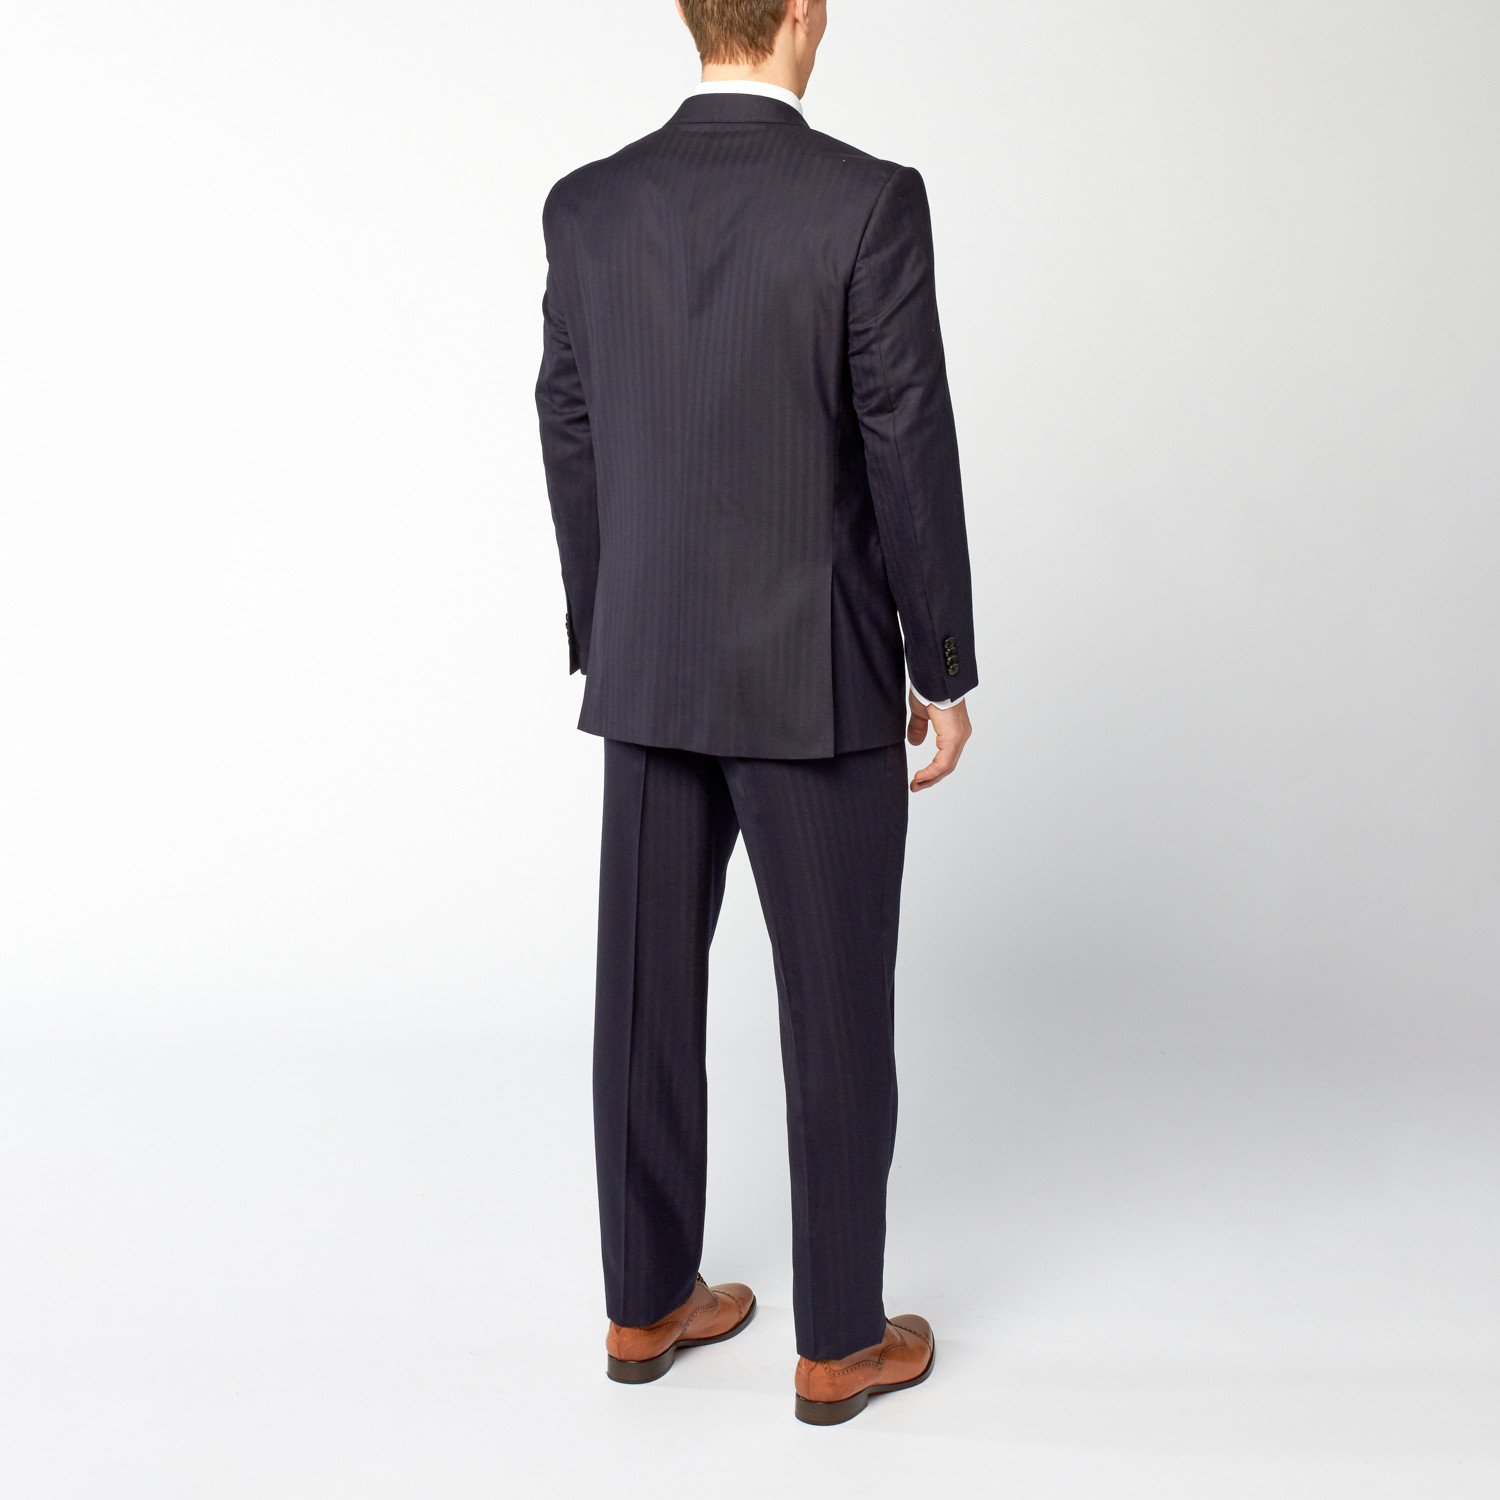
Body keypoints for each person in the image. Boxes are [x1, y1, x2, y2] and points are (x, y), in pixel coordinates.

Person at [535, 0, 977, 1426]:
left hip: (651, 664)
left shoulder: (589, 207)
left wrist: (610, 624)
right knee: (835, 1006)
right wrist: (941, 664)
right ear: (803, 13)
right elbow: (906, 436)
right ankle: (837, 1340)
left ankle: (644, 1301)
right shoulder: (868, 203)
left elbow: (567, 423)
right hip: (816, 673)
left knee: (643, 997)